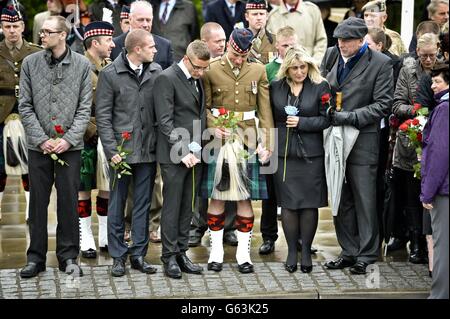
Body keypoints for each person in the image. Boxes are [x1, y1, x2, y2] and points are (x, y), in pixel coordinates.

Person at [19, 15, 92, 278]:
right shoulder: (29, 63)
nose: (43, 35)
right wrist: (41, 139)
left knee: (68, 201)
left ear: (63, 35)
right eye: (42, 32)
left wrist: (68, 139)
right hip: (38, 147)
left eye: (48, 32)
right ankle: (35, 258)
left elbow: (85, 109)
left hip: (69, 148)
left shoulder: (82, 65)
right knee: (37, 203)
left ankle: (69, 256)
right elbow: (25, 106)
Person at [320, 17, 393, 275]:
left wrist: (351, 117)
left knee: (365, 199)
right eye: (339, 39)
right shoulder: (331, 55)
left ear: (361, 40)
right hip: (334, 138)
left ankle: (367, 253)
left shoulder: (381, 63)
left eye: (347, 41)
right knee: (340, 198)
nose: (341, 44)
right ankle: (348, 251)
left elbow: (383, 104)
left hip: (363, 140)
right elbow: (321, 88)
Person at [202, 28, 274, 274]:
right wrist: (212, 127)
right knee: (216, 196)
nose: (238, 60)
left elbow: (265, 111)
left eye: (242, 56)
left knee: (245, 198)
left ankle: (244, 254)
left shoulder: (258, 70)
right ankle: (216, 252)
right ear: (228, 47)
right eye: (235, 54)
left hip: (248, 139)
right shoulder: (210, 69)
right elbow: (205, 107)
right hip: (219, 140)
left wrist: (267, 143)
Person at [95, 29, 161, 277]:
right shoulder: (110, 74)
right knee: (117, 203)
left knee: (143, 204)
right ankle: (118, 257)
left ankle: (138, 255)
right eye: (151, 46)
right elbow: (102, 115)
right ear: (137, 49)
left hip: (147, 150)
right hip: (120, 152)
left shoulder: (155, 71)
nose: (155, 50)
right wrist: (112, 150)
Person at [110, 0, 172, 244]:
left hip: (152, 124)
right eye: (141, 20)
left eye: (149, 19)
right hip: (125, 126)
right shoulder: (115, 45)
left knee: (153, 179)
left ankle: (152, 224)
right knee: (125, 180)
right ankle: (127, 225)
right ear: (129, 19)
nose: (146, 24)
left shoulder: (163, 46)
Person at [270, 46, 330, 273]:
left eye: (303, 67)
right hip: (283, 154)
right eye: (294, 68)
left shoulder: (320, 86)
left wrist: (302, 123)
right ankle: (291, 252)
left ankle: (306, 251)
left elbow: (327, 119)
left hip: (311, 155)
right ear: (286, 69)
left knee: (309, 204)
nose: (299, 72)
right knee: (288, 205)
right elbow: (268, 116)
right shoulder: (275, 87)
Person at [154, 40, 210, 279]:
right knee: (172, 205)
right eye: (198, 67)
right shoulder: (166, 78)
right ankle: (168, 257)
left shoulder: (198, 78)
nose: (201, 72)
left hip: (195, 152)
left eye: (204, 68)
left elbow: (198, 115)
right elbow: (164, 121)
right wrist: (182, 151)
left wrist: (198, 148)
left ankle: (181, 252)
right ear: (187, 59)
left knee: (188, 205)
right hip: (174, 154)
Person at [391, 33, 440, 265]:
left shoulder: (443, 68)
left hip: (438, 138)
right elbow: (397, 103)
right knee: (413, 197)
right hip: (412, 140)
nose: (429, 60)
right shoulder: (408, 70)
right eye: (424, 56)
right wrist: (418, 112)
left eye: (432, 55)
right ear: (417, 53)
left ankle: (431, 243)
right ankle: (415, 244)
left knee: (433, 197)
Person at [189, 22, 238, 248]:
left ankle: (228, 227)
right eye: (218, 41)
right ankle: (197, 227)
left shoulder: (228, 65)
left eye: (224, 40)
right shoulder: (198, 68)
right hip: (202, 134)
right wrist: (211, 126)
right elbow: (201, 106)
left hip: (228, 133)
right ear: (204, 42)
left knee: (226, 179)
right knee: (200, 183)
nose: (223, 44)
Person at [77, 21, 115, 259]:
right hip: (84, 135)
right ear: (94, 43)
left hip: (106, 135)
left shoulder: (109, 66)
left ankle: (105, 234)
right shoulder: (78, 66)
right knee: (82, 188)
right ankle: (85, 235)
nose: (113, 44)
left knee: (106, 187)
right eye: (108, 40)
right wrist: (93, 129)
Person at [258, 25, 297, 256]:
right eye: (285, 45)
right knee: (270, 192)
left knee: (295, 190)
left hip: (296, 135)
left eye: (293, 44)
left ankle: (300, 237)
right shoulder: (267, 70)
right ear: (276, 46)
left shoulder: (305, 67)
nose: (289, 49)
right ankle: (269, 236)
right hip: (272, 134)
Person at [0, 8, 41, 223]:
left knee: (31, 164)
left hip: (29, 114)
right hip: (1, 114)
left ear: (23, 27)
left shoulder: (36, 52)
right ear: (2, 28)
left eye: (16, 26)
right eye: (8, 26)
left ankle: (30, 211)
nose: (12, 31)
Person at [421, 65, 449, 299]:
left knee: (443, 248)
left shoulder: (444, 110)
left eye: (437, 81)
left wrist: (427, 193)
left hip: (444, 191)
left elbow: (439, 153)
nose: (432, 86)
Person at [267, 0, 327, 64]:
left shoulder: (312, 10)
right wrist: (275, 66)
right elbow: (270, 46)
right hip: (282, 68)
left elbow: (321, 41)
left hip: (309, 64)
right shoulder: (273, 16)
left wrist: (315, 62)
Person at [245, 0, 277, 64]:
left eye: (262, 14)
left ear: (267, 16)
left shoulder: (275, 40)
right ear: (247, 17)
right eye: (255, 14)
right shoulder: (239, 39)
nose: (259, 18)